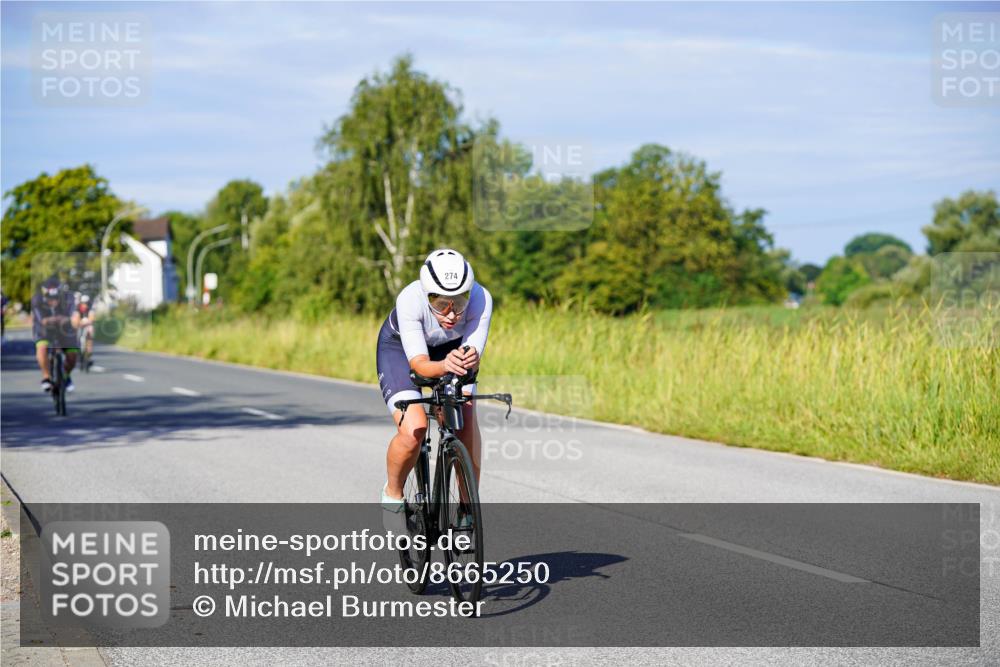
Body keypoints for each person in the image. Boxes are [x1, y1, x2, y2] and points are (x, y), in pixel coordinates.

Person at [376, 249, 492, 528]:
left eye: (459, 301)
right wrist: (445, 366)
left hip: (451, 353)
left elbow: (471, 355)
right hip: (402, 352)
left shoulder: (481, 298)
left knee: (464, 428)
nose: (451, 313)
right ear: (427, 294)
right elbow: (419, 365)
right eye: (440, 304)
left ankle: (466, 511)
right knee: (414, 430)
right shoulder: (409, 299)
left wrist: (468, 359)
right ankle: (392, 494)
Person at [32, 277, 80, 393]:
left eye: (56, 297)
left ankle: (65, 375)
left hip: (65, 329)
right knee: (42, 348)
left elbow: (73, 317)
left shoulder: (69, 298)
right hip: (44, 330)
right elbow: (42, 320)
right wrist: (59, 319)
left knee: (72, 355)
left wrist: (72, 320)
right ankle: (46, 377)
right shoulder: (37, 299)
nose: (52, 301)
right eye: (49, 298)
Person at [76, 294, 95, 367]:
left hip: (88, 325)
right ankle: (78, 352)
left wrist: (89, 321)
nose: (85, 305)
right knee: (77, 336)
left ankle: (89, 354)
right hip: (80, 325)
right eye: (83, 303)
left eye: (86, 303)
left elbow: (92, 317)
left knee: (90, 335)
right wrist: (78, 323)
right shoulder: (77, 309)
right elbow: (76, 317)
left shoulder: (90, 309)